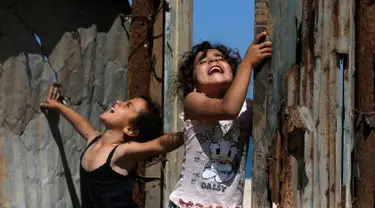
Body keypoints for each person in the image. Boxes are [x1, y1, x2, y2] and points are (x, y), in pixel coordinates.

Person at [168, 32, 272, 208]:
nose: (213, 61)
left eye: (220, 58)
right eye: (202, 61)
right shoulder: (193, 101)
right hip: (188, 205)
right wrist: (247, 63)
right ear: (192, 82)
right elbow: (228, 109)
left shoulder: (249, 109)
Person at [40, 86, 183, 208]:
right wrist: (58, 106)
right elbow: (80, 122)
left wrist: (190, 132)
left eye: (128, 105)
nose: (119, 102)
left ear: (131, 129)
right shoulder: (94, 140)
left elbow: (160, 144)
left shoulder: (122, 151)